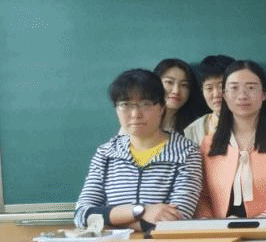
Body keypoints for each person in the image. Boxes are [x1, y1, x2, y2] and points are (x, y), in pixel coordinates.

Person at [75, 69, 202, 230]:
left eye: (146, 104)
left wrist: (108, 220)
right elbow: (82, 214)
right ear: (116, 109)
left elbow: (178, 218)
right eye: (125, 105)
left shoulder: (186, 152)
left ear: (162, 107)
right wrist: (141, 211)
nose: (135, 114)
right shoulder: (106, 153)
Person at [196, 60, 266, 219]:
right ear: (224, 95)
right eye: (234, 88)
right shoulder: (208, 144)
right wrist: (210, 223)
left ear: (264, 94)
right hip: (220, 230)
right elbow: (202, 195)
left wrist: (264, 220)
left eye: (251, 87)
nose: (242, 96)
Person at [183, 55, 234, 145]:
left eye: (222, 86)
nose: (216, 94)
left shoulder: (255, 124)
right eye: (209, 88)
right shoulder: (193, 130)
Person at [154, 58, 202, 134]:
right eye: (169, 82)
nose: (176, 91)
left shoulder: (198, 128)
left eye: (184, 85)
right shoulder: (140, 120)